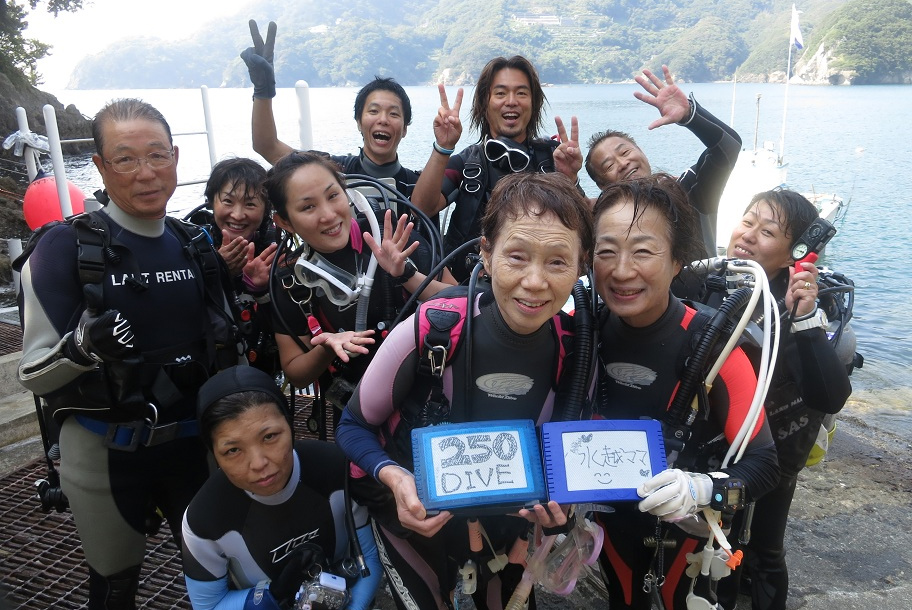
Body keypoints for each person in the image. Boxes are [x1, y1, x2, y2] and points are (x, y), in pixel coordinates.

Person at [16, 98, 242, 609]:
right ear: (99, 166)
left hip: (194, 448)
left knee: (221, 577)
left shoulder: (194, 245)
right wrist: (82, 347)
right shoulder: (63, 251)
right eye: (125, 159)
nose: (146, 173)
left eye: (158, 155)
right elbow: (31, 374)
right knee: (115, 588)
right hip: (105, 454)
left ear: (177, 158)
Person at [336, 172, 595, 610]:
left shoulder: (576, 351)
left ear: (580, 265)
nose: (535, 282)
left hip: (506, 526)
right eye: (517, 256)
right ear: (486, 255)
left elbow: (568, 450)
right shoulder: (435, 328)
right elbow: (353, 424)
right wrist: (395, 479)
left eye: (557, 261)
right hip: (414, 514)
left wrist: (561, 506)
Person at [590, 175, 779, 609]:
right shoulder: (583, 333)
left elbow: (766, 464)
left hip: (687, 525)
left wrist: (701, 489)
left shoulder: (715, 348)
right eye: (606, 251)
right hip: (607, 518)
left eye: (643, 251)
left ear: (678, 261)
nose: (622, 270)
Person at [688, 189, 851, 610]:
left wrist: (806, 319)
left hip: (774, 451)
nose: (749, 234)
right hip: (713, 448)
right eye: (747, 221)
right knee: (707, 544)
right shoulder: (708, 281)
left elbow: (830, 396)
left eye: (768, 231)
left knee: (764, 549)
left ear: (792, 253)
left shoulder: (793, 306)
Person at [182, 365, 382, 610]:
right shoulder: (204, 518)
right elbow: (209, 606)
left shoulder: (337, 469)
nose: (259, 464)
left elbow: (370, 559)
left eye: (270, 437)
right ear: (213, 453)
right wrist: (273, 595)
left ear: (291, 426)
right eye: (233, 450)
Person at [265, 151, 454, 409]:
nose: (329, 215)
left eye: (333, 196)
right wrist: (329, 346)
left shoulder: (391, 239)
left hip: (426, 395)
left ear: (347, 193)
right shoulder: (291, 280)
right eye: (308, 206)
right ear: (284, 221)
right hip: (357, 406)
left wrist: (407, 275)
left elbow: (461, 299)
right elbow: (296, 373)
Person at [409, 56, 583, 281]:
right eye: (500, 93)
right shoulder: (469, 162)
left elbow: (586, 234)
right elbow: (421, 208)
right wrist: (443, 147)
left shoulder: (553, 161)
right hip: (470, 289)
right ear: (484, 105)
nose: (511, 101)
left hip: (539, 287)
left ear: (533, 104)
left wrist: (570, 180)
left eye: (521, 93)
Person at [240, 20, 421, 199]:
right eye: (373, 111)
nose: (383, 119)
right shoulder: (331, 169)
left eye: (394, 114)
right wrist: (263, 92)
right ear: (358, 122)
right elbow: (267, 146)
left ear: (405, 128)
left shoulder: (419, 187)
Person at [585, 65, 742, 256]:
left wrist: (690, 116)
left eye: (625, 152)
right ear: (602, 185)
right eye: (609, 165)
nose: (623, 163)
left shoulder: (688, 191)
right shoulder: (605, 219)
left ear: (640, 150)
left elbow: (728, 148)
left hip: (702, 285)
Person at [190, 157, 279, 373]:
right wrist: (218, 271)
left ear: (266, 209)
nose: (238, 215)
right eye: (228, 202)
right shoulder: (191, 247)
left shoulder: (277, 249)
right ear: (212, 202)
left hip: (263, 365)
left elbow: (288, 326)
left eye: (250, 204)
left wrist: (261, 290)